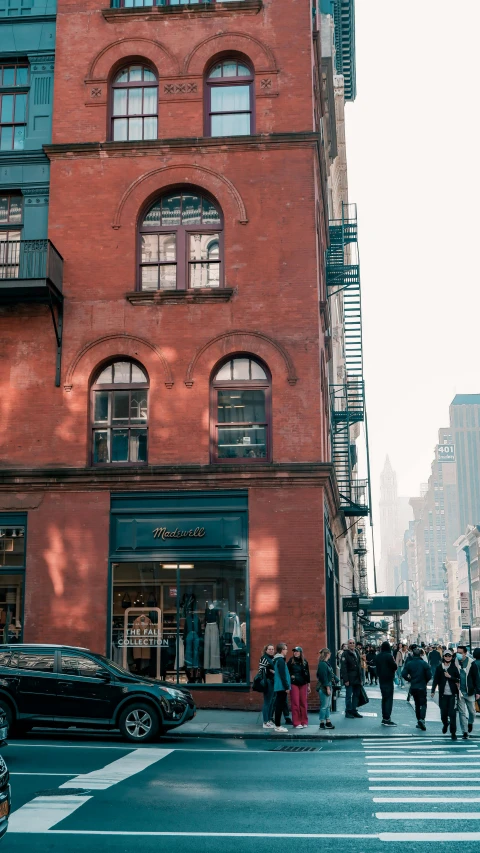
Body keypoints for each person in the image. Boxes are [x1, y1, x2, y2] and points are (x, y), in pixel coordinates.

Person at [431, 649, 460, 740]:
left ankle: (453, 732)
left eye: (449, 656)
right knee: (443, 713)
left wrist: (450, 677)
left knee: (452, 714)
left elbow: (458, 679)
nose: (448, 657)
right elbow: (435, 679)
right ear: (443, 657)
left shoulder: (454, 667)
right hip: (443, 694)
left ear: (452, 657)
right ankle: (445, 724)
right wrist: (433, 690)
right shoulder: (440, 668)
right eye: (446, 656)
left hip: (452, 694)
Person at [402, 646, 432, 730]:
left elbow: (403, 674)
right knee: (423, 704)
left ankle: (419, 720)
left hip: (414, 685)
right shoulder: (424, 663)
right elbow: (429, 675)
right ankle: (422, 719)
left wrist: (409, 679)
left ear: (412, 654)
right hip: (422, 686)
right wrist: (425, 681)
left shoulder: (409, 663)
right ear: (421, 655)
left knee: (417, 704)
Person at [456, 645, 480, 740]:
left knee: (472, 712)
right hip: (459, 692)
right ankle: (465, 732)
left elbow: (476, 678)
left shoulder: (471, 663)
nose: (458, 654)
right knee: (462, 712)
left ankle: (470, 723)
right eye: (457, 652)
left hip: (469, 691)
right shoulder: (455, 662)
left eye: (460, 653)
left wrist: (478, 691)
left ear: (465, 653)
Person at [375, 640, 398, 726]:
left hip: (381, 679)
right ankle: (387, 718)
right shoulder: (389, 656)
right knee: (389, 698)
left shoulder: (378, 656)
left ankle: (384, 717)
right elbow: (394, 666)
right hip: (388, 678)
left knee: (384, 698)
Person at [287, 646, 311, 729]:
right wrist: (291, 677)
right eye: (294, 651)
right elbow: (287, 672)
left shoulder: (304, 662)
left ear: (301, 652)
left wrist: (308, 685)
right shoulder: (291, 661)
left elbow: (307, 674)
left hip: (303, 683)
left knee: (303, 703)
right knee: (295, 703)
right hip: (294, 683)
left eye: (297, 651)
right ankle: (296, 722)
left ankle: (304, 721)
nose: (295, 653)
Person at [340, 637, 363, 718]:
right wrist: (346, 680)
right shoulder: (345, 654)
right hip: (349, 679)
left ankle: (354, 710)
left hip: (357, 678)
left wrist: (361, 678)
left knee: (356, 695)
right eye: (350, 643)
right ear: (348, 644)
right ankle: (348, 711)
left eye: (353, 643)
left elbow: (359, 666)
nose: (352, 644)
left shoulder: (357, 652)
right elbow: (343, 668)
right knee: (348, 695)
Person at [316, 647, 337, 729]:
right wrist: (328, 688)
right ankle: (322, 722)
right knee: (324, 706)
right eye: (329, 653)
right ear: (327, 654)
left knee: (327, 705)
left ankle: (327, 721)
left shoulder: (325, 663)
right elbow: (323, 677)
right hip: (324, 687)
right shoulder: (323, 664)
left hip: (327, 686)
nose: (330, 654)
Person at [273, 642, 291, 733]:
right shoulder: (280, 660)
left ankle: (277, 725)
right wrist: (286, 686)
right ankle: (278, 726)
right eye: (285, 649)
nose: (287, 651)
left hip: (280, 686)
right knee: (279, 706)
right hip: (281, 686)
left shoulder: (279, 659)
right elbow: (282, 675)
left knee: (279, 705)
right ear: (282, 650)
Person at [259, 643, 276, 729]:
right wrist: (270, 671)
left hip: (273, 682)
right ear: (266, 650)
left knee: (271, 702)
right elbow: (261, 670)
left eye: (272, 649)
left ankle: (269, 720)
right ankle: (265, 722)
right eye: (269, 649)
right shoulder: (264, 658)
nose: (271, 650)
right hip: (268, 682)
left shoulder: (272, 658)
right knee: (267, 702)